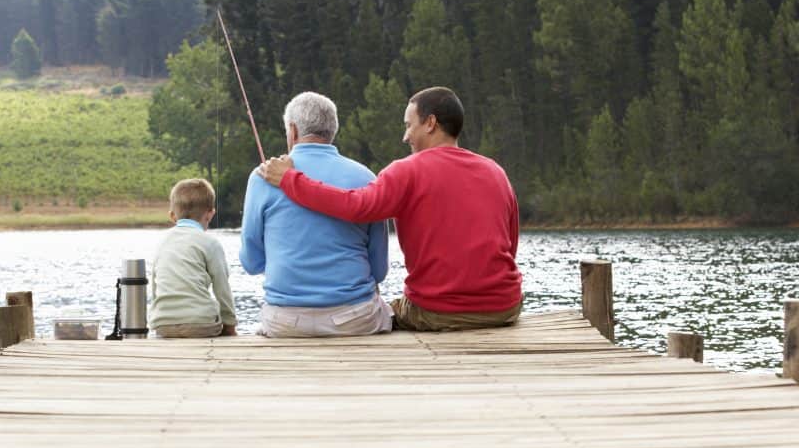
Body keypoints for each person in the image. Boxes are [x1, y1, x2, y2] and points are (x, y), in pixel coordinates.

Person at [257, 86, 522, 331]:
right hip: (505, 308)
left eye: (409, 125)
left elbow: (355, 206)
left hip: (438, 312)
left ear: (430, 123)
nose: (405, 136)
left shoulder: (407, 171)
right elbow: (510, 245)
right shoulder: (495, 171)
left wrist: (290, 180)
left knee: (384, 311)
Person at [240, 91, 392, 338]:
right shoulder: (366, 177)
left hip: (286, 321)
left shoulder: (263, 177)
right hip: (354, 320)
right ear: (333, 131)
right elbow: (379, 271)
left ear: (292, 131)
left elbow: (251, 262)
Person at [149, 178, 237, 338]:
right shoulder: (210, 243)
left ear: (172, 216)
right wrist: (230, 324)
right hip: (201, 323)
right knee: (214, 320)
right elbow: (221, 287)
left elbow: (155, 286)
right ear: (210, 214)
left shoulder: (162, 242)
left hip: (163, 324)